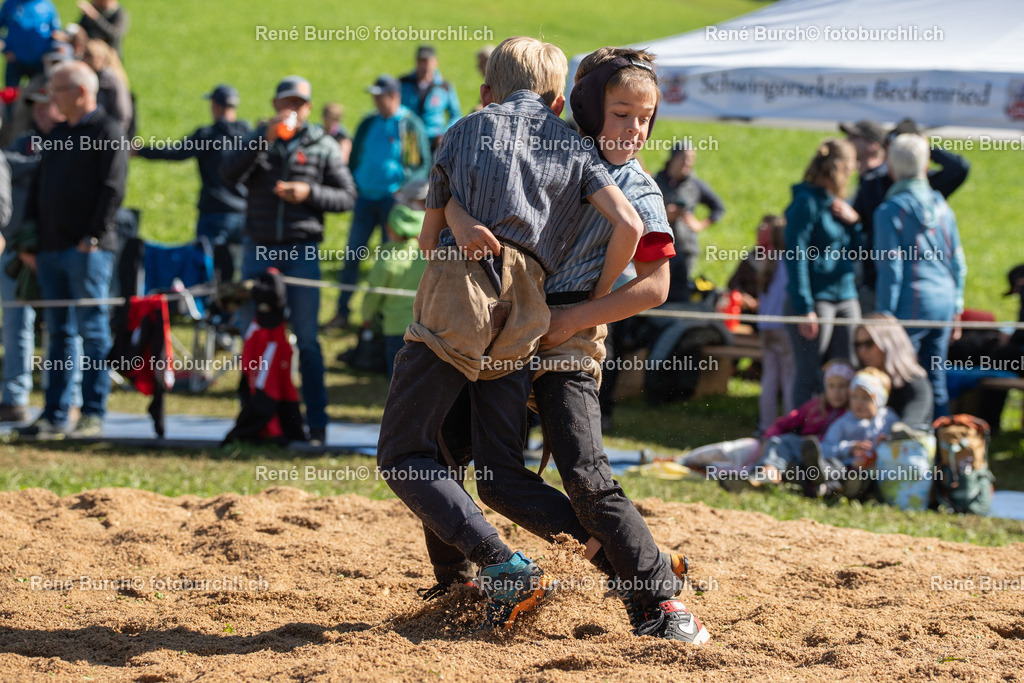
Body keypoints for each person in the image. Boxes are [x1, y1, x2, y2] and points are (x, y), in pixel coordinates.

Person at [429, 46, 709, 643]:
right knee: (455, 459)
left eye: (645, 119)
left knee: (584, 474)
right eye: (621, 114)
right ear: (582, 106)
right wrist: (457, 218)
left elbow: (656, 286)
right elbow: (453, 187)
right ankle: (459, 583)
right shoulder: (548, 147)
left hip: (567, 339)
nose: (635, 130)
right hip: (503, 326)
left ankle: (658, 599)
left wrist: (575, 317)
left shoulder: (638, 187)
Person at [376, 35, 644, 631]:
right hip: (529, 307)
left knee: (405, 452)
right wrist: (599, 294)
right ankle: (626, 561)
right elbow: (627, 224)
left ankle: (501, 566)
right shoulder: (573, 145)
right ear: (557, 101)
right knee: (500, 470)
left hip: (462, 288)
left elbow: (427, 241)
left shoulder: (464, 129)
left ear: (485, 92)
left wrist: (461, 219)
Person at [220, 75, 357, 445]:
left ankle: (317, 423)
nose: (292, 109)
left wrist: (308, 192)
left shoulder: (322, 145)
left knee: (308, 340)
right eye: (287, 102)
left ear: (308, 108)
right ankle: (253, 420)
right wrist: (261, 140)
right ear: (275, 104)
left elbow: (347, 196)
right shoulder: (257, 138)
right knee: (253, 335)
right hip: (258, 250)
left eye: (299, 103)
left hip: (301, 253)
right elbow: (228, 175)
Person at [17, 59, 126, 438]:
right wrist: (30, 241)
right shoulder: (58, 134)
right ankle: (54, 413)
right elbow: (39, 188)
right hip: (50, 250)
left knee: (92, 331)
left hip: (87, 253)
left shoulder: (108, 131)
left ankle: (92, 412)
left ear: (81, 92)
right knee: (58, 334)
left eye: (57, 90)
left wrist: (90, 238)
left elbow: (113, 189)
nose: (51, 98)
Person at [874, 133, 966, 419]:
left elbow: (890, 267)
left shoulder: (889, 211)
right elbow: (957, 260)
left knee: (901, 375)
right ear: (926, 166)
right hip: (943, 302)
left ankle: (904, 439)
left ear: (891, 168)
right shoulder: (942, 206)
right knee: (935, 377)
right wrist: (957, 306)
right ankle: (942, 442)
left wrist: (885, 314)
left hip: (909, 304)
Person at [327, 74, 429, 329]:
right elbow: (354, 158)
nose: (375, 101)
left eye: (380, 96)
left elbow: (419, 164)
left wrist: (403, 191)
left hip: (392, 205)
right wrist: (353, 184)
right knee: (352, 256)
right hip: (364, 200)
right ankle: (342, 311)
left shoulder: (408, 125)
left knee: (388, 260)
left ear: (394, 96)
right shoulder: (368, 122)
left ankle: (380, 319)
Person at [841, 118, 969, 313]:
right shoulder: (937, 204)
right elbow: (956, 258)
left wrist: (919, 148)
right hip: (914, 292)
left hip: (913, 293)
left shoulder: (926, 198)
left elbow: (960, 168)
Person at [0, 82, 63, 423]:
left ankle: (64, 400)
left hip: (58, 251)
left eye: (45, 104)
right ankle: (15, 397)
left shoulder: (75, 141)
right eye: (35, 106)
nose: (39, 111)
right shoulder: (24, 141)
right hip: (16, 253)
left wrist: (27, 166)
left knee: (62, 328)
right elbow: (7, 164)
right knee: (15, 326)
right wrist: (34, 164)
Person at [785, 138, 861, 406]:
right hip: (817, 299)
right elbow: (795, 256)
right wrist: (804, 306)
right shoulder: (805, 203)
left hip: (845, 294)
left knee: (847, 369)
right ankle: (799, 427)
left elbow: (858, 251)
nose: (853, 173)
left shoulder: (838, 204)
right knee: (811, 373)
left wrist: (854, 223)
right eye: (850, 167)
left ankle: (840, 426)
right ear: (838, 168)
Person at [136, 84, 250, 260]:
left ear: (215, 105)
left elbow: (176, 153)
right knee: (241, 270)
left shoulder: (208, 135)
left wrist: (140, 151)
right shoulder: (250, 136)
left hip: (214, 214)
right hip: (244, 214)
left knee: (205, 267)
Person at [712, 359, 853, 491]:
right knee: (781, 442)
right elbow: (785, 423)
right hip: (803, 451)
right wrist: (766, 439)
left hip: (832, 457)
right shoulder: (814, 407)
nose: (836, 392)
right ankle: (767, 474)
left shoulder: (852, 414)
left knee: (834, 466)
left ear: (850, 389)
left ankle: (814, 483)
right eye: (831, 386)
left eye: (842, 386)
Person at [359, 178, 428, 378]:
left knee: (397, 377)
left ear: (389, 228)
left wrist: (366, 318)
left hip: (395, 329)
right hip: (425, 327)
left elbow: (373, 295)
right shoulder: (428, 256)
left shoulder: (386, 261)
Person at [803, 367, 899, 498]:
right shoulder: (843, 422)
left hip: (873, 471)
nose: (858, 402)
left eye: (866, 398)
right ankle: (822, 479)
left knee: (866, 477)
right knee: (836, 468)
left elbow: (900, 441)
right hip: (846, 466)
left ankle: (845, 488)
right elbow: (825, 447)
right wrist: (849, 448)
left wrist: (887, 441)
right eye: (854, 397)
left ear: (879, 400)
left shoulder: (888, 419)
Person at [654, 142, 724, 299]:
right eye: (684, 158)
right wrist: (664, 215)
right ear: (673, 158)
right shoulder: (655, 181)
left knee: (680, 295)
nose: (688, 163)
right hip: (659, 248)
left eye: (692, 158)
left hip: (685, 249)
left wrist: (699, 224)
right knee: (658, 293)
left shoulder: (694, 185)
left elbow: (718, 207)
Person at [853, 313, 933, 427]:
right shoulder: (857, 383)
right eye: (858, 345)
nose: (862, 351)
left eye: (869, 343)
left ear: (889, 343)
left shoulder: (916, 385)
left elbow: (907, 429)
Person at [754, 215, 794, 434]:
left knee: (770, 377)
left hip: (765, 327)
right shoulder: (789, 263)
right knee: (788, 378)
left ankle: (766, 425)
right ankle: (788, 425)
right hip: (783, 326)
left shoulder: (768, 261)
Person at [399, 44, 461, 152]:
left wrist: (445, 134)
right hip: (410, 138)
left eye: (427, 61)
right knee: (411, 163)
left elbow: (456, 114)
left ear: (435, 62)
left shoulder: (444, 86)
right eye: (421, 61)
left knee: (436, 163)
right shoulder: (404, 83)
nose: (424, 65)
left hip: (435, 139)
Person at [0, 0, 61, 88]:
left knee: (38, 92)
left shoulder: (46, 5)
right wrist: (5, 49)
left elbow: (56, 32)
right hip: (15, 59)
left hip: (39, 61)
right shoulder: (10, 4)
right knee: (11, 92)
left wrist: (51, 52)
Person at [81, 38, 130, 134]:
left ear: (101, 58)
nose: (84, 59)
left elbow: (122, 113)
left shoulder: (111, 82)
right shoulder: (83, 77)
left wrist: (115, 135)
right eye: (83, 55)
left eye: (89, 55)